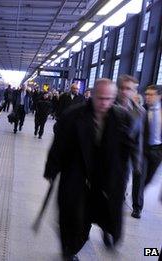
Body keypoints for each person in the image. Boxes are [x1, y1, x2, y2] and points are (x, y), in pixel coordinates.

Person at [44, 78, 137, 261]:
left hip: (104, 182)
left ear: (114, 98)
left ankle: (105, 232)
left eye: (109, 99)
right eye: (100, 98)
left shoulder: (121, 118)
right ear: (92, 95)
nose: (104, 103)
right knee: (76, 220)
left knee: (105, 215)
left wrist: (129, 170)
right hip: (76, 178)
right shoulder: (73, 115)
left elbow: (128, 149)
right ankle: (70, 250)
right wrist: (52, 169)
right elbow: (58, 145)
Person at [114, 75, 145, 219]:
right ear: (118, 89)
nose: (126, 92)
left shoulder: (139, 112)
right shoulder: (107, 104)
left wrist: (137, 162)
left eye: (130, 89)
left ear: (135, 92)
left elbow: (138, 139)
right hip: (102, 156)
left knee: (119, 190)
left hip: (124, 159)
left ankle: (109, 225)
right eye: (123, 88)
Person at [133, 84, 162, 218]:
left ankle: (138, 193)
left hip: (157, 151)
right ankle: (137, 207)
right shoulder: (141, 111)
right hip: (142, 150)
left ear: (159, 96)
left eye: (151, 94)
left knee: (148, 179)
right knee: (139, 178)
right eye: (146, 94)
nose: (147, 97)